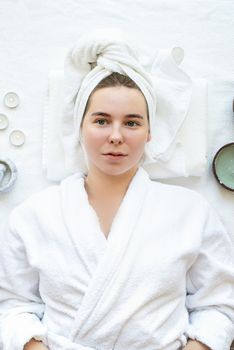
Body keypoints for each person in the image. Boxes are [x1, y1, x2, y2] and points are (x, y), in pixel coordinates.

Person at [0, 49, 234, 350]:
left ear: (149, 132)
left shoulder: (192, 212)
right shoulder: (32, 215)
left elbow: (220, 304)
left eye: (132, 123)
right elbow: (11, 306)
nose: (116, 136)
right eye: (101, 121)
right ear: (80, 127)